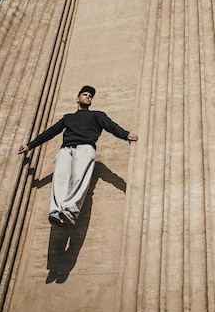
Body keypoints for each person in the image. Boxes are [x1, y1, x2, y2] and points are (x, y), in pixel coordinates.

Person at [18, 85, 138, 227]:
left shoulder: (97, 115)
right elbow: (51, 132)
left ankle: (70, 211)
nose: (88, 97)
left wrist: (125, 135)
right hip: (65, 150)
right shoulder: (68, 118)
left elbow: (111, 126)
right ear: (77, 98)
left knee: (79, 178)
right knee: (59, 179)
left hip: (85, 148)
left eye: (90, 96)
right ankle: (56, 211)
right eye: (85, 95)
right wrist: (30, 145)